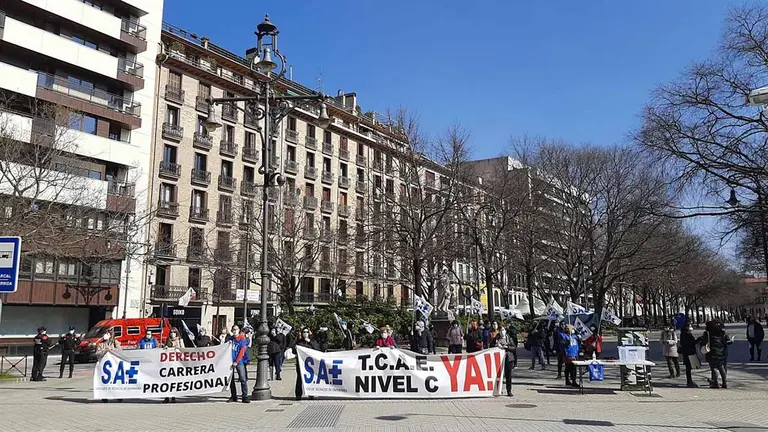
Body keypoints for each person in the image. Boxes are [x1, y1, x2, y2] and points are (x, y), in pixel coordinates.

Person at [96, 330, 123, 403]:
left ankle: (118, 396)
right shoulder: (100, 344)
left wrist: (112, 349)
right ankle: (104, 396)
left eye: (108, 333)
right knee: (105, 382)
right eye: (106, 333)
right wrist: (104, 350)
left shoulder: (115, 342)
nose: (106, 335)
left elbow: (120, 351)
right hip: (105, 366)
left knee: (116, 381)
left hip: (115, 365)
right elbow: (97, 354)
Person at [294, 327, 320, 400]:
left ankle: (311, 393)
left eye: (306, 332)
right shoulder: (299, 342)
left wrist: (309, 342)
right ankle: (298, 395)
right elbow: (294, 350)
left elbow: (317, 349)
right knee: (299, 378)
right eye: (304, 332)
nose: (305, 333)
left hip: (310, 365)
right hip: (300, 363)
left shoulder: (312, 341)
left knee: (310, 379)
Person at [700, 320, 727, 389]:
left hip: (712, 352)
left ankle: (716, 383)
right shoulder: (721, 333)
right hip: (721, 351)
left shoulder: (708, 334)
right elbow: (725, 341)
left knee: (714, 367)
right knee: (721, 367)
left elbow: (703, 342)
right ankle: (724, 382)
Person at [228, 324, 250, 403]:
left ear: (239, 330)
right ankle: (234, 396)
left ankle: (245, 396)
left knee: (243, 378)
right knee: (231, 380)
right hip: (230, 361)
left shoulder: (242, 339)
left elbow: (242, 351)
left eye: (236, 329)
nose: (235, 331)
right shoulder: (230, 339)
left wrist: (236, 361)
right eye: (233, 329)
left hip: (239, 362)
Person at [495, 326, 516, 397]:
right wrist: (497, 346)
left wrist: (507, 347)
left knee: (508, 375)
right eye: (500, 330)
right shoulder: (497, 339)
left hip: (509, 359)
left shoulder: (509, 338)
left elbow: (514, 348)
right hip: (499, 360)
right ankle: (498, 390)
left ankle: (509, 390)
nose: (502, 332)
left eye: (503, 330)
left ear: (505, 331)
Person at [679, 322, 699, 387]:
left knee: (688, 367)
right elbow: (692, 343)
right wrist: (699, 339)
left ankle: (689, 381)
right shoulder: (687, 334)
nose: (691, 327)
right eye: (690, 326)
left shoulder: (683, 334)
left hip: (686, 352)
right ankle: (689, 381)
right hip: (689, 352)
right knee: (689, 367)